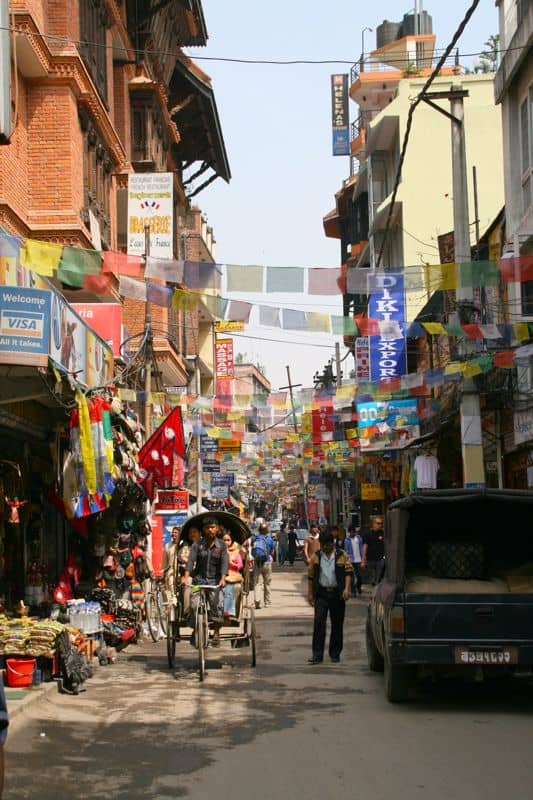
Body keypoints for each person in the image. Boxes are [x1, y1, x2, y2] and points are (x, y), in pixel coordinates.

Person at [307, 529, 353, 664]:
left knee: (337, 624)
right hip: (321, 594)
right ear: (321, 544)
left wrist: (346, 589)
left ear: (332, 544)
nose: (327, 547)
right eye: (325, 545)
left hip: (337, 594)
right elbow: (310, 577)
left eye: (329, 545)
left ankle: (335, 654)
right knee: (319, 623)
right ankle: (317, 655)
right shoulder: (316, 557)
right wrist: (310, 594)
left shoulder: (342, 555)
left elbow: (348, 573)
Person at [182, 516, 229, 646]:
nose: (210, 530)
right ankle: (196, 629)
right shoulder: (197, 545)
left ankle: (216, 633)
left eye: (213, 527)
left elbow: (225, 563)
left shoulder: (222, 546)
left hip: (215, 581)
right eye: (208, 528)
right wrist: (186, 576)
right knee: (193, 604)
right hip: (199, 581)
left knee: (217, 605)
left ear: (217, 528)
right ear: (203, 529)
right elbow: (190, 561)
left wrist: (223, 578)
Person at [251, 522, 275, 609]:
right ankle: (267, 603)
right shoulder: (269, 539)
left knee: (257, 582)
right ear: (267, 530)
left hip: (257, 562)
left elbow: (252, 549)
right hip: (267, 562)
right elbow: (272, 552)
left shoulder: (255, 538)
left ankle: (257, 602)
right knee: (267, 583)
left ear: (259, 530)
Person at [222, 531, 243, 620]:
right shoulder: (218, 550)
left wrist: (232, 564)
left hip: (233, 577)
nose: (226, 542)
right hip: (220, 576)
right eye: (224, 540)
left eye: (228, 540)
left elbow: (240, 565)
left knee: (231, 587)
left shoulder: (236, 551)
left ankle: (229, 611)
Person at [362, 516, 385, 586]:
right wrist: (363, 559)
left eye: (381, 523)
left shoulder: (383, 533)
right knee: (371, 577)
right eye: (378, 523)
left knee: (378, 578)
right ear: (373, 524)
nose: (380, 525)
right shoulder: (368, 534)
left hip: (380, 559)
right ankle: (372, 587)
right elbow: (365, 546)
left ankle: (376, 587)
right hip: (370, 559)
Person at [344, 525, 364, 596]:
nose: (352, 533)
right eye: (351, 532)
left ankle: (358, 587)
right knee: (351, 577)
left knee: (360, 576)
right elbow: (346, 551)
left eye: (353, 532)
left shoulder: (359, 538)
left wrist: (363, 559)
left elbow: (362, 548)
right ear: (349, 532)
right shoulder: (346, 540)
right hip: (351, 560)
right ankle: (353, 591)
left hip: (359, 560)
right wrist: (347, 560)